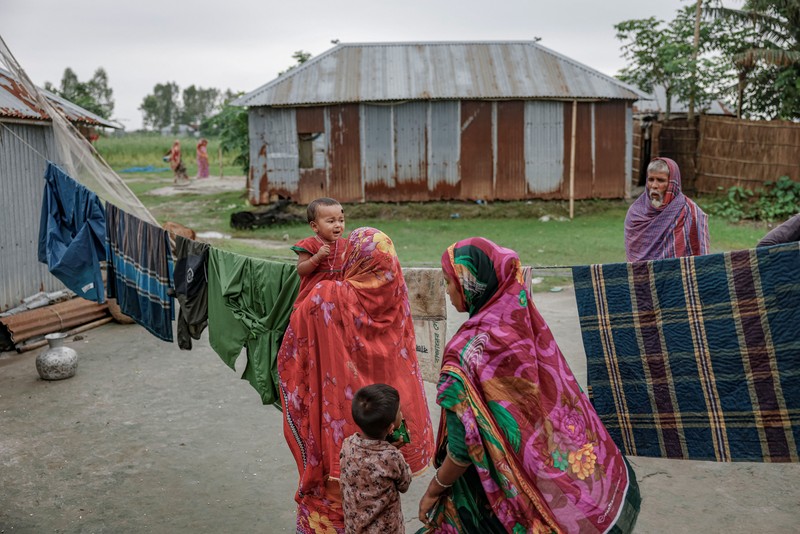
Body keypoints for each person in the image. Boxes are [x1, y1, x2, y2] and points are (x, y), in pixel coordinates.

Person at [417, 237, 641, 533]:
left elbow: (462, 448)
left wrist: (435, 488)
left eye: (448, 281)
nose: (446, 291)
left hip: (495, 485)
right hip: (540, 452)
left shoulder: (465, 353)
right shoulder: (519, 319)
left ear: (472, 285)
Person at [278, 226, 434, 534]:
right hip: (378, 421)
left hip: (333, 426)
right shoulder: (396, 297)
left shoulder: (326, 296)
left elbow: (293, 343)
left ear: (354, 257)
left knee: (330, 494)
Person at [340, 384, 413, 533]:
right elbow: (404, 484)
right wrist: (395, 451)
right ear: (391, 428)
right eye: (399, 411)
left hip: (354, 527)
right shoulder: (392, 456)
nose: (402, 413)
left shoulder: (347, 444)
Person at [624, 157, 709, 262]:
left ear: (672, 183)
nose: (654, 185)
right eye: (651, 179)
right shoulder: (636, 213)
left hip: (677, 275)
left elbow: (701, 254)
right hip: (643, 275)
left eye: (660, 180)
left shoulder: (690, 211)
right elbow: (633, 258)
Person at [291, 197, 347, 305]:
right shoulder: (310, 245)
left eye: (341, 220)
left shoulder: (346, 244)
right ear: (315, 226)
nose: (338, 225)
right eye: (331, 221)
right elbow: (301, 270)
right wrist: (317, 257)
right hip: (314, 295)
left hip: (339, 293)